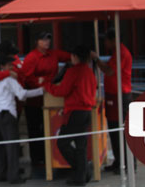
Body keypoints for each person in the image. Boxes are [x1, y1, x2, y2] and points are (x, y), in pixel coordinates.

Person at [0, 53, 44, 184]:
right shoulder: (9, 79)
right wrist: (41, 90)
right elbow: (22, 94)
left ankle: (0, 174)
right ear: (2, 66)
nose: (12, 67)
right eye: (9, 65)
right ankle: (13, 176)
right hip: (8, 115)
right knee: (12, 147)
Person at [44, 45, 96, 186]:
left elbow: (62, 90)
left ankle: (81, 172)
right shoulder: (90, 72)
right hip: (86, 111)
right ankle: (82, 174)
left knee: (63, 143)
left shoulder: (74, 71)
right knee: (81, 146)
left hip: (75, 112)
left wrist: (47, 85)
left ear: (75, 57)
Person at [20, 32, 71, 166]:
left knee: (49, 128)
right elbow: (27, 79)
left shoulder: (53, 54)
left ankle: (49, 157)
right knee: (35, 130)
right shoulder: (31, 57)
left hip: (51, 97)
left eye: (48, 39)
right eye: (43, 39)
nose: (46, 42)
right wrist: (41, 82)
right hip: (35, 100)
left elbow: (69, 57)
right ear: (37, 42)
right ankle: (37, 160)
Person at [91, 29, 133, 174]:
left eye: (106, 40)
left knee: (120, 130)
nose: (105, 43)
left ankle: (127, 163)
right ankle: (119, 160)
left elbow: (109, 71)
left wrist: (96, 59)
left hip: (120, 96)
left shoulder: (122, 53)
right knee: (114, 130)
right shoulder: (116, 53)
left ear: (113, 39)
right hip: (113, 95)